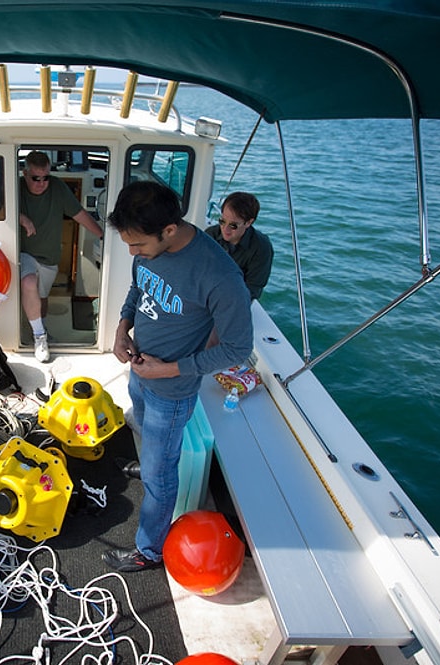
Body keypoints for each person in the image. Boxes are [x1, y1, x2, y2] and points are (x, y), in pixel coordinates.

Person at [103, 181, 253, 573]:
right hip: (140, 374)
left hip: (172, 391)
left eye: (137, 245)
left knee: (160, 473)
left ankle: (149, 550)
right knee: (148, 441)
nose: (133, 253)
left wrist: (167, 369)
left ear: (169, 230)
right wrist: (122, 329)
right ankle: (149, 462)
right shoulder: (148, 248)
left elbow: (237, 349)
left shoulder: (220, 275)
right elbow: (138, 290)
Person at [19, 150, 104, 362]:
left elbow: (79, 214)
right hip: (24, 253)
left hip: (49, 256)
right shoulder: (16, 186)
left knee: (43, 298)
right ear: (25, 173)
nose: (41, 183)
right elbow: (0, 209)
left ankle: (41, 329)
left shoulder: (57, 187)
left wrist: (103, 235)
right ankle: (39, 336)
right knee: (29, 282)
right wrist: (22, 218)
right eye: (35, 178)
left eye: (45, 177)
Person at [206, 192, 273, 300]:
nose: (225, 229)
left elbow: (253, 288)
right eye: (222, 221)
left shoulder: (261, 247)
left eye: (233, 225)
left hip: (236, 300)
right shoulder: (210, 235)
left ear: (248, 223)